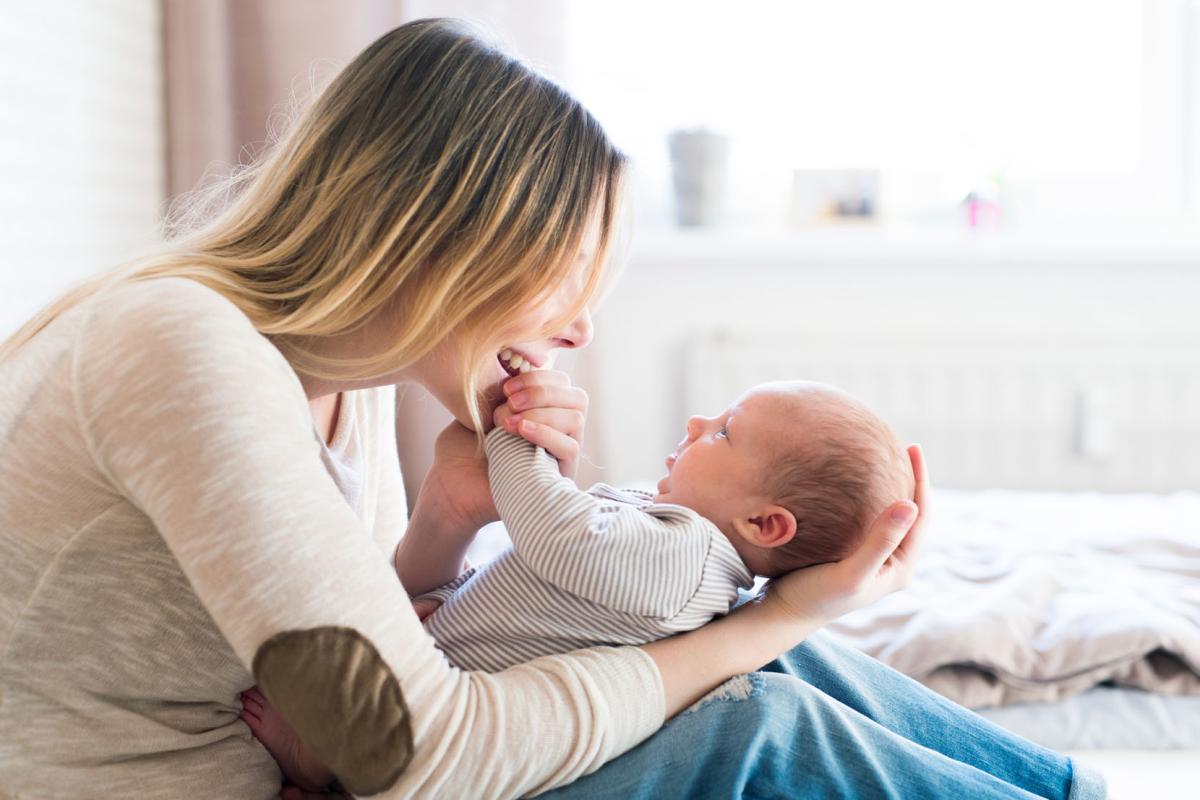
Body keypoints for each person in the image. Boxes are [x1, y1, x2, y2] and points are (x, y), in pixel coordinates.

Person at [0, 18, 1102, 800]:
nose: (576, 330)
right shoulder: (183, 347)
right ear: (442, 240)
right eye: (563, 277)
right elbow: (418, 750)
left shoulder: (341, 379)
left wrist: (442, 521)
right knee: (749, 706)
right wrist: (781, 613)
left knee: (746, 657)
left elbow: (314, 645)